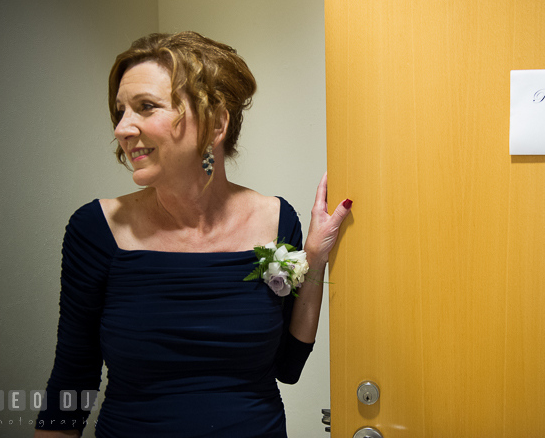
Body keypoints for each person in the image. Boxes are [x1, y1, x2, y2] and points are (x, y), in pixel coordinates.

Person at [34, 31, 352, 437]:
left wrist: (314, 257)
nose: (122, 128)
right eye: (120, 111)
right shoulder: (96, 230)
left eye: (145, 107)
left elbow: (287, 368)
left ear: (216, 123)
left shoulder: (276, 220)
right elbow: (72, 379)